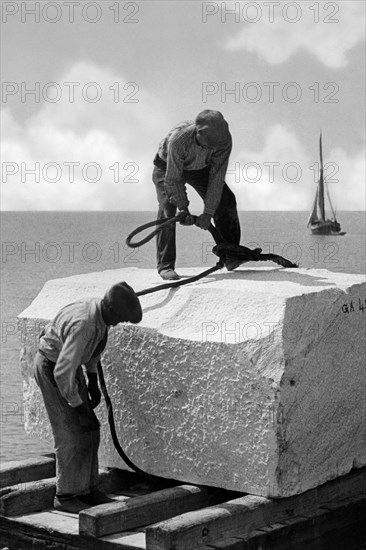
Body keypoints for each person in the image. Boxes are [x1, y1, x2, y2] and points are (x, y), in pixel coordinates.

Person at [34, 282, 142, 513]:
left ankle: (88, 489)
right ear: (111, 309)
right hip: (52, 367)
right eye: (121, 318)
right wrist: (80, 409)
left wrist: (92, 379)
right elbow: (62, 373)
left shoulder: (101, 315)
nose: (120, 323)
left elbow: (92, 348)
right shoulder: (84, 324)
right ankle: (65, 495)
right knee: (70, 433)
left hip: (70, 365)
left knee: (92, 430)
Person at [153, 109, 241, 280]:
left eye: (215, 145)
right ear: (197, 133)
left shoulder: (223, 141)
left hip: (201, 168)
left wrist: (208, 213)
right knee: (167, 211)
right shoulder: (178, 140)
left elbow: (216, 178)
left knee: (226, 200)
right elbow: (173, 180)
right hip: (167, 167)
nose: (211, 148)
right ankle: (165, 265)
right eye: (207, 144)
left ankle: (230, 254)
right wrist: (183, 208)